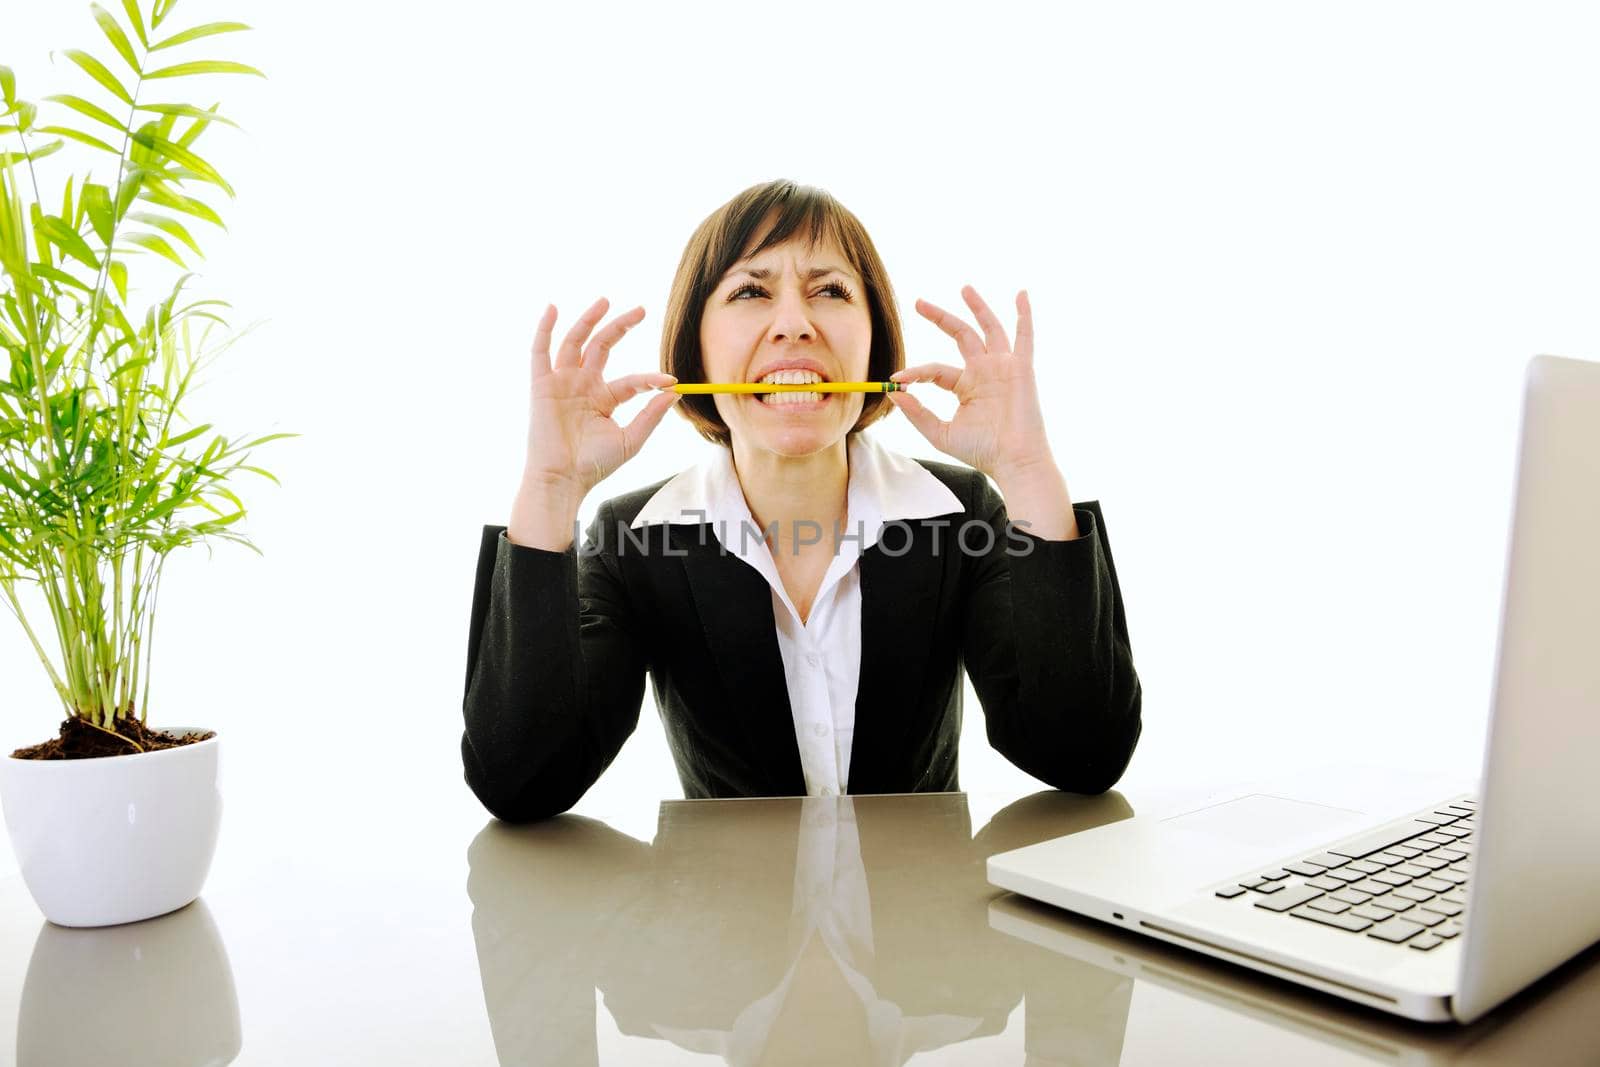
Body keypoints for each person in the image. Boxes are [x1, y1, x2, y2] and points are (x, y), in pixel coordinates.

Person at [462, 179, 1141, 821]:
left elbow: (1083, 755)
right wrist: (550, 490)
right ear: (696, 351)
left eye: (831, 291)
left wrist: (1025, 471)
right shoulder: (634, 536)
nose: (794, 323)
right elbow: (522, 781)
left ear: (874, 345)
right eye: (751, 292)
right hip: (734, 935)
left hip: (922, 930)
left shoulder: (959, 513)